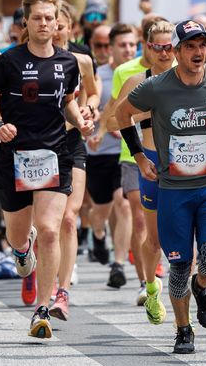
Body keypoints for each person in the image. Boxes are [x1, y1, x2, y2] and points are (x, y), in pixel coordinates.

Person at [114, 19, 206, 355]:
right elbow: (122, 113)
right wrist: (140, 158)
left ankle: (202, 287)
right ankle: (183, 329)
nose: (198, 51)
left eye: (202, 44)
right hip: (173, 188)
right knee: (177, 265)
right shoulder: (157, 87)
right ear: (176, 51)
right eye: (189, 45)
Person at [0, 0, 92, 340]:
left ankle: (42, 308)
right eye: (37, 18)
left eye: (50, 18)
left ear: (59, 22)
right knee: (19, 235)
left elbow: (68, 101)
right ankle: (21, 250)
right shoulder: (8, 61)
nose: (44, 24)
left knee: (48, 228)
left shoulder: (68, 62)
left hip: (54, 154)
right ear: (25, 23)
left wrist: (80, 120)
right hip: (15, 156)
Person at [105, 19, 175, 322]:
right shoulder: (135, 80)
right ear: (148, 47)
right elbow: (111, 121)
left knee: (186, 233)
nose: (164, 52)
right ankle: (150, 286)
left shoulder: (189, 78)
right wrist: (139, 115)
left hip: (184, 165)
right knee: (149, 232)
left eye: (169, 46)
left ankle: (187, 287)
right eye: (158, 47)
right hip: (142, 160)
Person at [50, 1, 99, 320]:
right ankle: (36, 266)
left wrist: (89, 109)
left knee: (70, 217)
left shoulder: (81, 60)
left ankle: (62, 290)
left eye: (60, 24)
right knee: (43, 224)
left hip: (72, 142)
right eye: (49, 23)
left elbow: (94, 94)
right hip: (39, 144)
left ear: (70, 28)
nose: (54, 29)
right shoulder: (29, 59)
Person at [87, 23, 136, 290]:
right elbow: (96, 106)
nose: (127, 50)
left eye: (131, 45)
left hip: (127, 152)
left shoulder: (140, 73)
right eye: (121, 45)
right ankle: (97, 232)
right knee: (100, 209)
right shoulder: (99, 76)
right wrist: (101, 126)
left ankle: (118, 263)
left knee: (124, 202)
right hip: (100, 151)